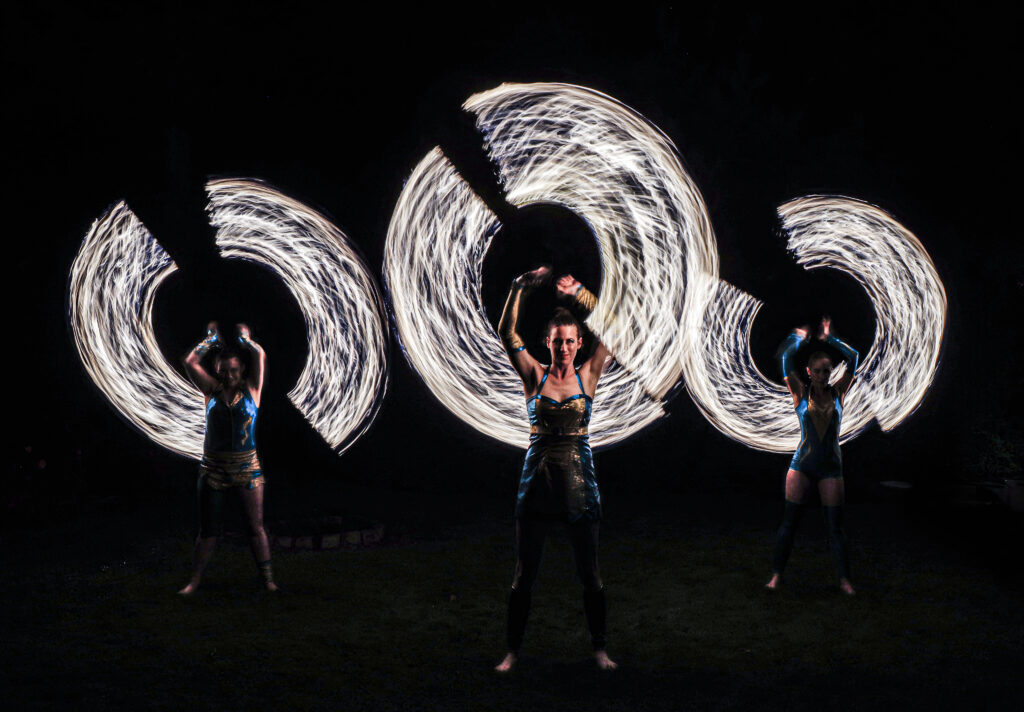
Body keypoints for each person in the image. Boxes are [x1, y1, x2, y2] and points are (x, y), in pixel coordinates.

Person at [494, 266, 617, 672]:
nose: (563, 348)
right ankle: (512, 652)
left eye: (570, 342)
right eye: (557, 342)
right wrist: (518, 287)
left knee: (590, 573)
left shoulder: (589, 375)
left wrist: (580, 295)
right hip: (537, 482)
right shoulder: (534, 375)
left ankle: (599, 649)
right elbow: (507, 333)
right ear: (547, 343)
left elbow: (615, 328)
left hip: (580, 483)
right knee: (524, 573)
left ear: (579, 343)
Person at [178, 322, 277, 595]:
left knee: (256, 528)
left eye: (234, 370)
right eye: (224, 371)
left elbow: (260, 357)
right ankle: (194, 582)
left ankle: (268, 580)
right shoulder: (210, 390)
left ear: (241, 369)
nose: (229, 375)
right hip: (213, 469)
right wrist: (209, 341)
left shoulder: (252, 390)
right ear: (217, 371)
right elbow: (190, 361)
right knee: (208, 531)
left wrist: (247, 342)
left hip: (248, 468)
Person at [766, 317, 859, 595]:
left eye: (827, 370)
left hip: (831, 467)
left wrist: (830, 338)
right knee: (789, 523)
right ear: (809, 371)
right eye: (818, 371)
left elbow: (853, 357)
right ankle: (775, 576)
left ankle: (844, 581)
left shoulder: (839, 391)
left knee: (836, 529)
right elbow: (785, 359)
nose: (823, 375)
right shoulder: (800, 393)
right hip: (802, 466)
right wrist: (797, 339)